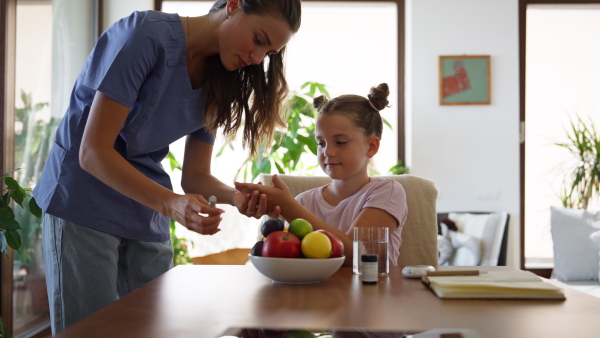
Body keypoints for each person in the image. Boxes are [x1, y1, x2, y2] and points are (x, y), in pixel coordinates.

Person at [33, 0, 301, 333]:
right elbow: (93, 152)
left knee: (158, 330)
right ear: (233, 5)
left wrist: (237, 197)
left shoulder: (222, 75)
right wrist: (170, 204)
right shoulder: (144, 36)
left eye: (270, 53)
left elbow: (195, 177)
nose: (259, 58)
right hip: (82, 201)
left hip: (146, 209)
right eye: (259, 39)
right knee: (91, 332)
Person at [235, 83, 408, 268]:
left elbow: (356, 254)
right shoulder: (304, 202)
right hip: (314, 295)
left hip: (372, 294)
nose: (328, 152)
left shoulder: (387, 192)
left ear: (372, 146)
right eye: (321, 143)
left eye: (340, 142)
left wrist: (289, 207)